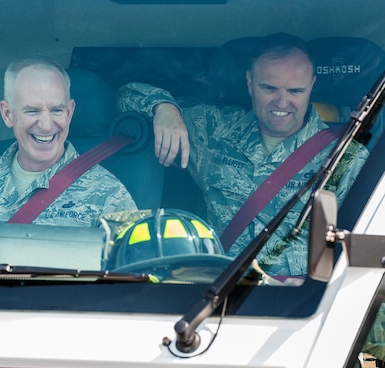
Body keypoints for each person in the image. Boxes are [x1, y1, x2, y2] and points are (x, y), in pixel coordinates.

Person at [117, 33, 369, 276]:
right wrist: (164, 107)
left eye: (295, 91)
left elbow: (364, 249)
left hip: (300, 304)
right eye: (269, 88)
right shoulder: (213, 129)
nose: (282, 103)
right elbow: (125, 94)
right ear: (249, 83)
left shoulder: (346, 157)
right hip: (216, 293)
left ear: (312, 85)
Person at [0, 56, 137, 227]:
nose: (46, 125)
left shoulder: (108, 195)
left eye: (57, 110)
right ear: (7, 114)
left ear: (70, 113)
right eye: (32, 111)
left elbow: (129, 264)